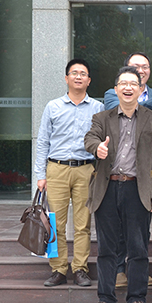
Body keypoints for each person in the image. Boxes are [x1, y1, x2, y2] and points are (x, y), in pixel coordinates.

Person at [84, 66, 152, 303]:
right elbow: (90, 139)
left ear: (141, 90)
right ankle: (106, 298)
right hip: (107, 187)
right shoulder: (102, 117)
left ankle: (137, 298)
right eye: (123, 84)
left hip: (137, 189)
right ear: (116, 89)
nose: (128, 88)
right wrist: (98, 148)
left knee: (138, 247)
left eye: (133, 84)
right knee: (107, 248)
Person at [35, 59, 103, 288]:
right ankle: (58, 269)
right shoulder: (52, 106)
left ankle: (80, 268)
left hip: (86, 169)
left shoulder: (97, 108)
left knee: (83, 224)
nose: (78, 76)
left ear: (89, 80)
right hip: (57, 169)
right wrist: (40, 174)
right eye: (74, 73)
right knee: (56, 223)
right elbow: (43, 141)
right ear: (66, 78)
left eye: (83, 73)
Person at [102, 52, 152, 289]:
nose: (141, 70)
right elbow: (118, 108)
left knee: (140, 231)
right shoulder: (113, 93)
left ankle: (138, 274)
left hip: (142, 175)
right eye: (136, 66)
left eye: (145, 66)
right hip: (115, 175)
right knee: (117, 230)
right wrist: (149, 105)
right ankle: (118, 270)